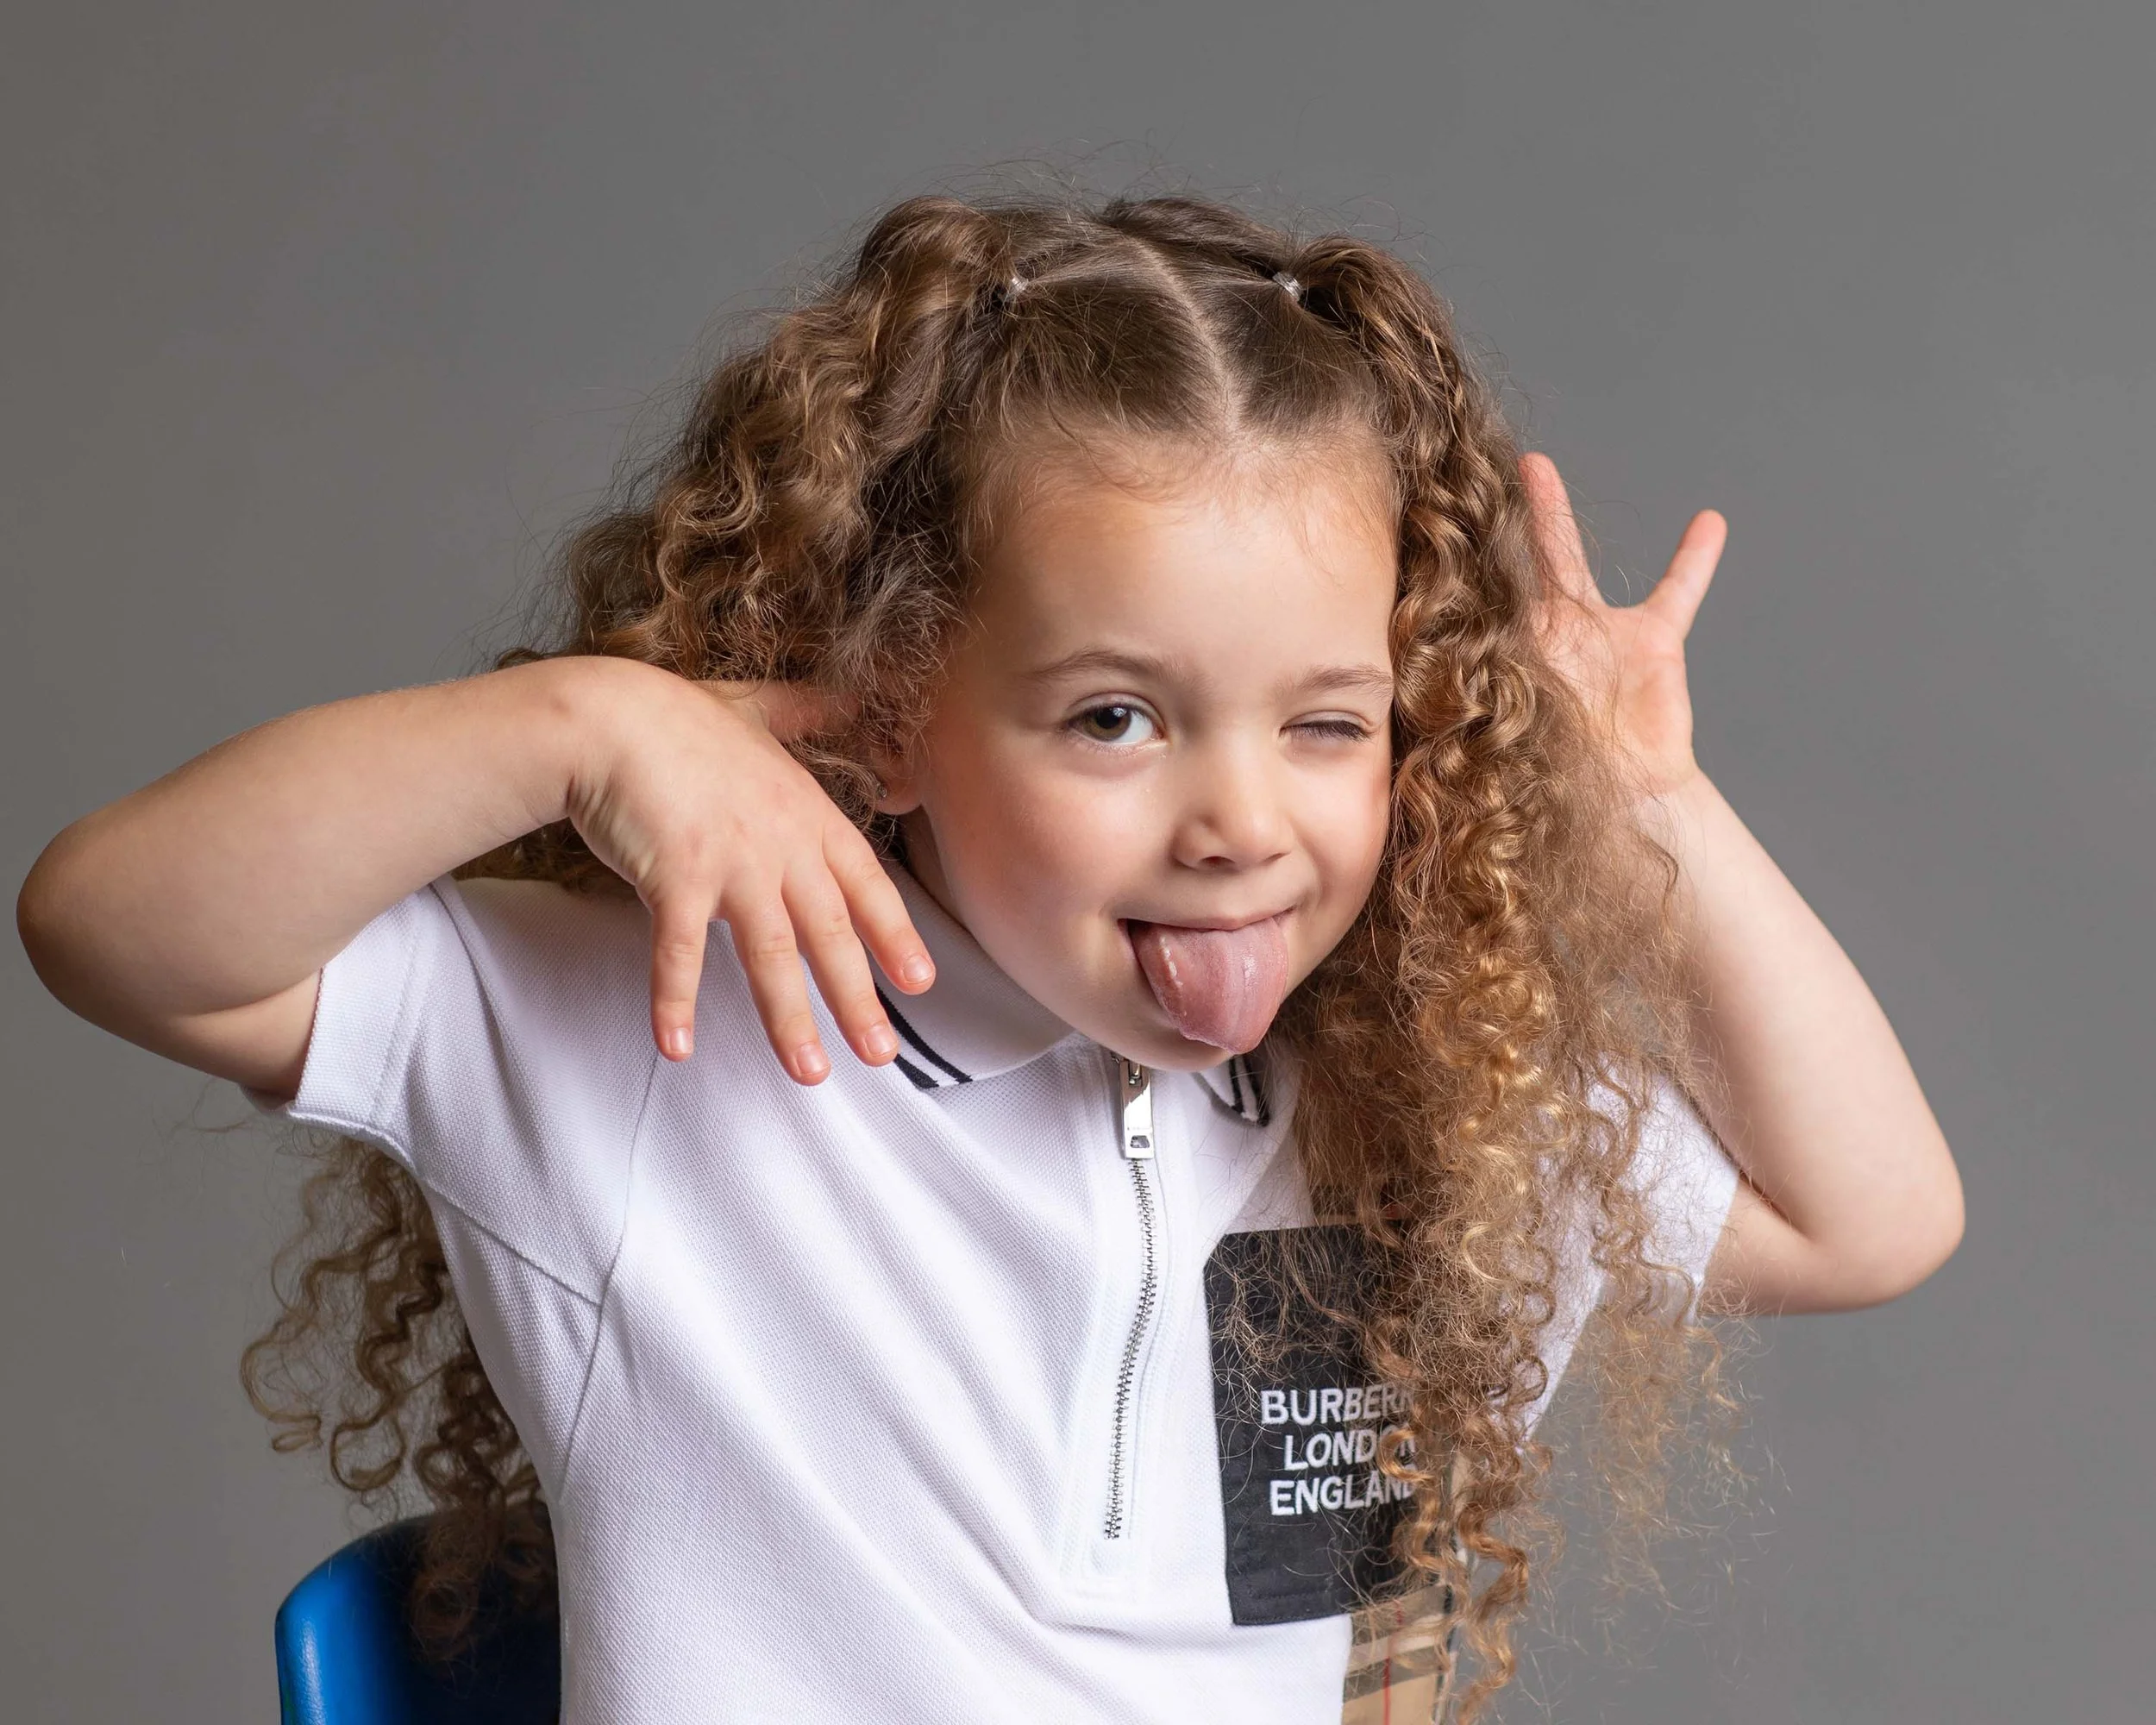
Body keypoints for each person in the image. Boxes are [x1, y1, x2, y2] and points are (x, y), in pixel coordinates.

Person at [16, 191, 1963, 1724]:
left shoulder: (1416, 1127)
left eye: (1324, 722)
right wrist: (580, 729)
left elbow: (1866, 1217)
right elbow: (122, 929)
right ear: (893, 706)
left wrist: (1639, 814)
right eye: (1113, 718)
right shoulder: (662, 1025)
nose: (1236, 820)